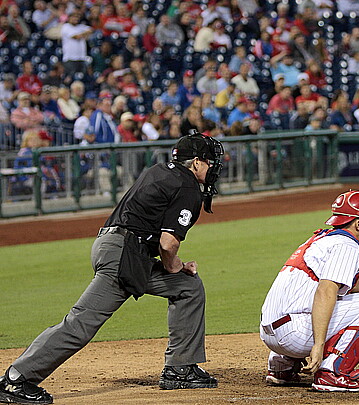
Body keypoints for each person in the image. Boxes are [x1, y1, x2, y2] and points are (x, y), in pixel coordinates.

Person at [0, 132, 225, 404]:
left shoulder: (159, 170)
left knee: (187, 287)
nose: (213, 168)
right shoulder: (187, 186)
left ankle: (181, 368)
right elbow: (167, 245)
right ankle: (16, 379)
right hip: (123, 255)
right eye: (211, 162)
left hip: (117, 246)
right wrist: (176, 266)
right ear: (197, 163)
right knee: (80, 323)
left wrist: (175, 272)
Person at [260, 190, 359, 392]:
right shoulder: (346, 245)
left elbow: (350, 283)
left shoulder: (324, 239)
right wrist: (318, 346)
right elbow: (325, 292)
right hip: (294, 335)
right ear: (358, 223)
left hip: (271, 332)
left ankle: (283, 367)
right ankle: (333, 373)